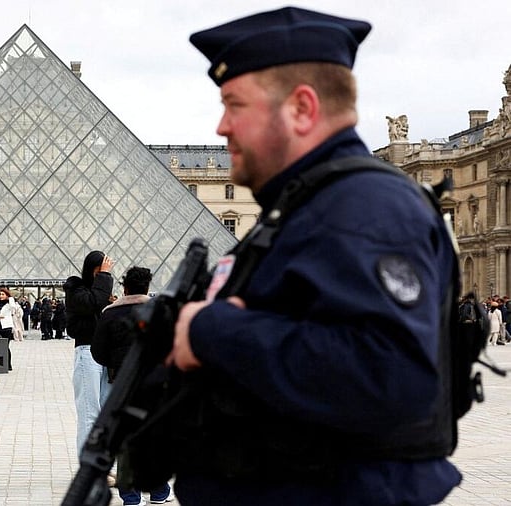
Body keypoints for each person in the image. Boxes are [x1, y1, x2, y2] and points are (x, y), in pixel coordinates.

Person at [164, 7, 460, 504]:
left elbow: (390, 374)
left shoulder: (364, 208)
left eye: (234, 104)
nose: (221, 127)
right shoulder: (309, 208)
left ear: (302, 108)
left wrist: (212, 330)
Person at [91, 266, 171, 505]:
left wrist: (114, 365)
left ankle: (131, 496)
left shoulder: (109, 314)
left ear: (124, 288)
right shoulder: (160, 310)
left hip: (122, 383)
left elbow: (98, 352)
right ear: (147, 287)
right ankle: (158, 491)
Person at [63, 250, 114, 454]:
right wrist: (105, 276)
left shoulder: (99, 292)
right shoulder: (76, 290)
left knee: (105, 413)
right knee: (89, 413)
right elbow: (93, 302)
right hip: (87, 353)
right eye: (100, 271)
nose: (104, 273)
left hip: (105, 355)